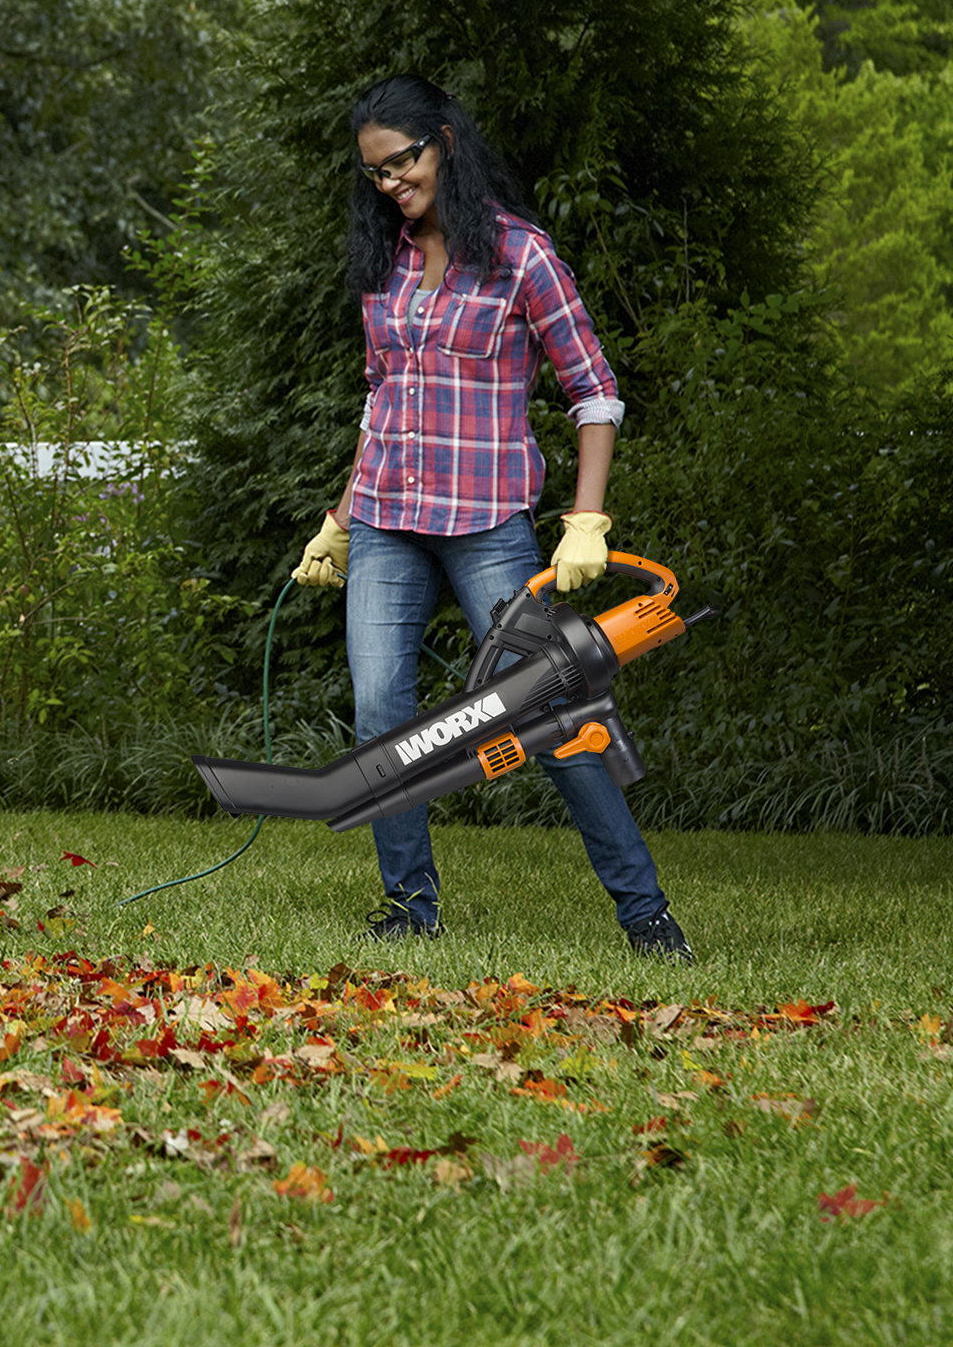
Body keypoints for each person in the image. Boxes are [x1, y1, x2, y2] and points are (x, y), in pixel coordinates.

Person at [290, 74, 692, 962]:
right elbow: (381, 398)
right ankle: (409, 906)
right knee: (381, 714)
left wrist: (586, 521)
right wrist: (342, 515)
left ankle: (646, 914)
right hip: (390, 518)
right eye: (375, 174)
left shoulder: (521, 255)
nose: (392, 183)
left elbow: (594, 391)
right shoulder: (384, 262)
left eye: (403, 162)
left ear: (445, 141)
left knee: (552, 711)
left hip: (487, 525)